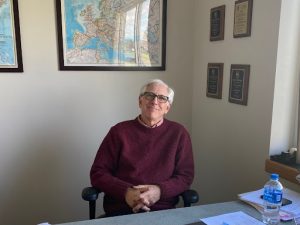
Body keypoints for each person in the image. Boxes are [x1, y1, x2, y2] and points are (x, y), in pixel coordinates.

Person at [90, 79, 194, 217]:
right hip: (121, 210)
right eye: (149, 95)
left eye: (162, 98)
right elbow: (98, 173)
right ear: (140, 101)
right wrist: (126, 192)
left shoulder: (179, 133)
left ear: (167, 107)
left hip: (162, 211)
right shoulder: (118, 132)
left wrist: (159, 191)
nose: (155, 101)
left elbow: (185, 176)